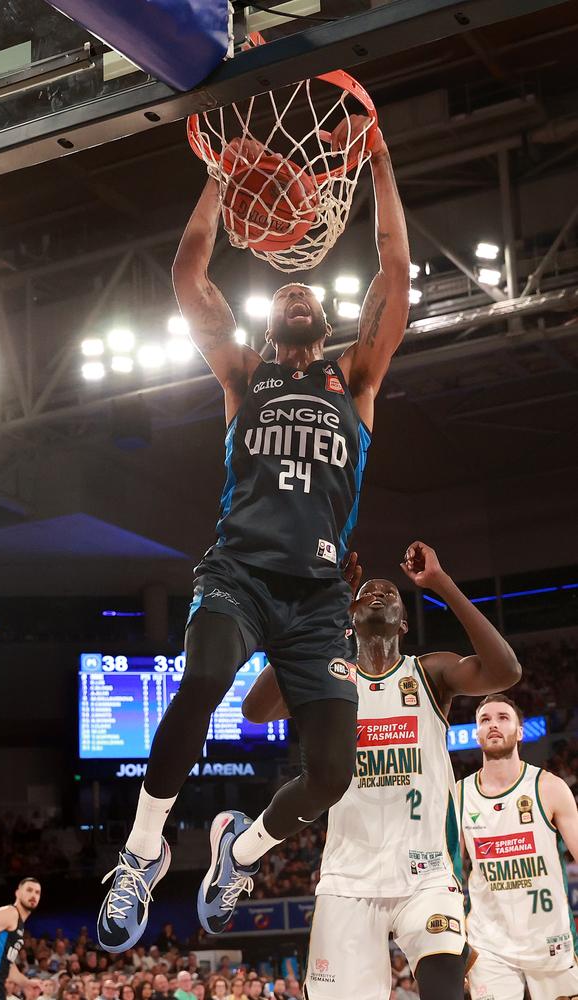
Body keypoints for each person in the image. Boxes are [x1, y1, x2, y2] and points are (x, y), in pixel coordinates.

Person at [97, 122, 411, 950]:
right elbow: (189, 273)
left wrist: (378, 160)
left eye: (306, 294)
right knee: (201, 676)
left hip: (315, 599)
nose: (296, 292)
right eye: (281, 295)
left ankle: (242, 848)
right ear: (268, 322)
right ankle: (141, 854)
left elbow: (395, 269)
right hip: (238, 572)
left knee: (334, 774)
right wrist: (221, 177)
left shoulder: (360, 377)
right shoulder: (243, 375)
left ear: (326, 317)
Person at [243, 541, 522, 1000]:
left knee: (444, 989)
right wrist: (319, 612)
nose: (377, 594)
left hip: (427, 875)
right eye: (366, 593)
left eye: (389, 594)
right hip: (348, 879)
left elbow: (506, 670)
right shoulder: (330, 678)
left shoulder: (430, 673)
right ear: (350, 617)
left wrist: (440, 583)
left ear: (405, 621)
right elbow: (255, 710)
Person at [461, 693, 578, 1000]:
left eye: (502, 718)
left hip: (550, 937)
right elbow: (448, 872)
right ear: (477, 733)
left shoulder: (550, 787)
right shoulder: (458, 795)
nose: (493, 725)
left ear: (520, 731)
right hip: (489, 943)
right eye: (485, 720)